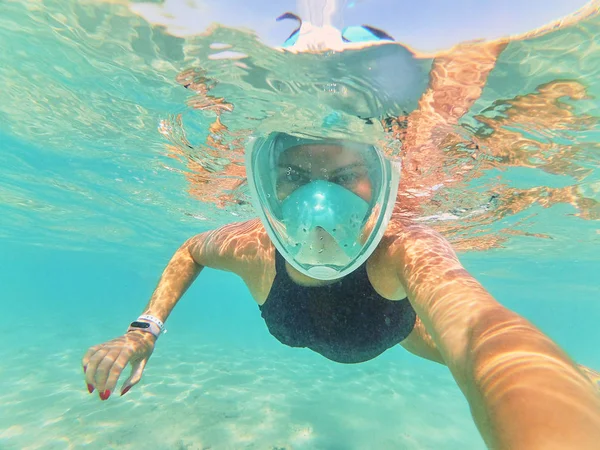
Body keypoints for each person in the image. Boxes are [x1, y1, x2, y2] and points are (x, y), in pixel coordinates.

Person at [84, 21, 600, 450]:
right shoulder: (256, 248)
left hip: (399, 331)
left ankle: (576, 375)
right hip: (384, 330)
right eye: (294, 174)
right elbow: (191, 250)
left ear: (380, 182)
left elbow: (477, 333)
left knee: (433, 340)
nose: (318, 201)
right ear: (267, 182)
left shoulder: (403, 249)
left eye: (345, 176)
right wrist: (142, 330)